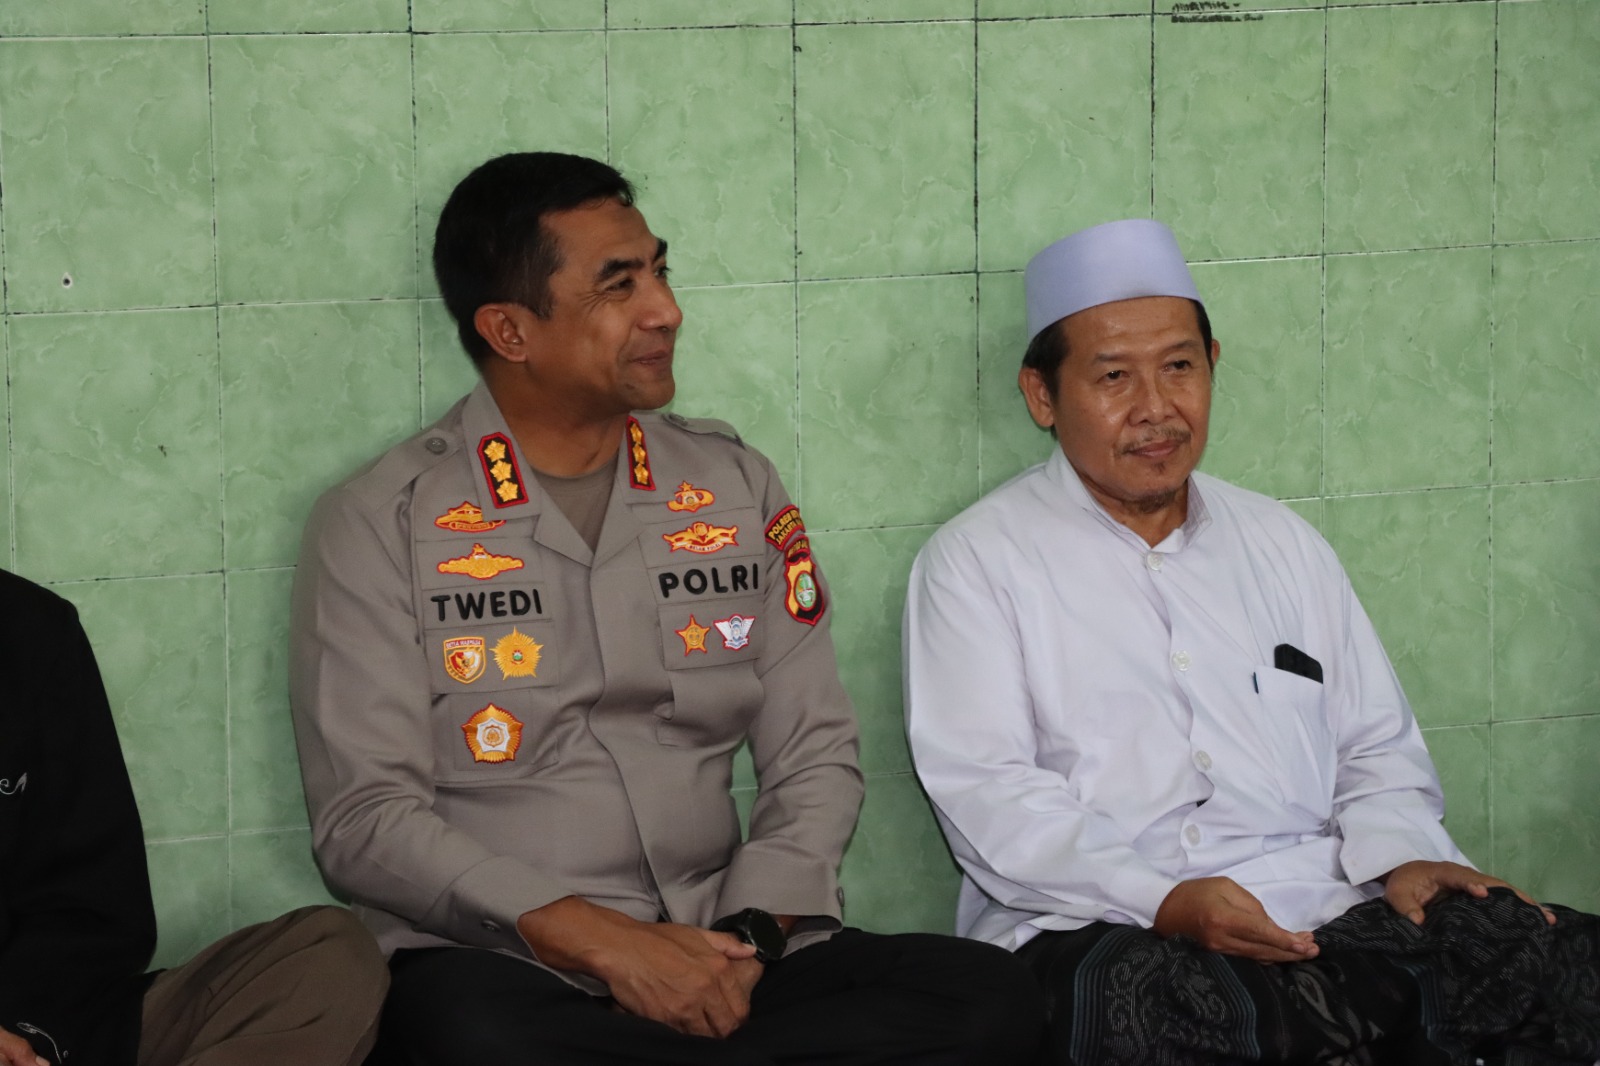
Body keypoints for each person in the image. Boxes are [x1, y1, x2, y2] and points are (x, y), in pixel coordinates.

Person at [289, 151, 1042, 1066]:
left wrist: (743, 943)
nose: (666, 310)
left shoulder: (731, 484)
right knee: (465, 1037)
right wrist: (606, 944)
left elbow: (814, 752)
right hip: (510, 961)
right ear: (510, 330)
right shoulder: (384, 521)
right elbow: (364, 819)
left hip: (728, 940)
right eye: (619, 286)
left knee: (988, 996)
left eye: (659, 271)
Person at [902, 220, 1600, 1066]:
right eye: (1114, 376)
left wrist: (1405, 857)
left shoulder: (1282, 544)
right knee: (1165, 1016)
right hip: (1104, 921)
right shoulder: (977, 562)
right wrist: (1165, 899)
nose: (1156, 408)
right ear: (1041, 396)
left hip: (1326, 902)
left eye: (1179, 367)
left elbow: (1374, 749)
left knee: (1548, 951)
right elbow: (991, 796)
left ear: (1212, 365)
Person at [0, 568, 387, 1066]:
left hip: (47, 1020)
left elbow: (95, 907)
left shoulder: (27, 627)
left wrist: (25, 1029)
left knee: (329, 958)